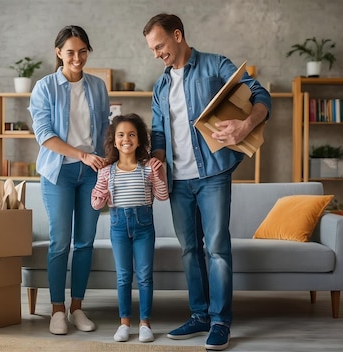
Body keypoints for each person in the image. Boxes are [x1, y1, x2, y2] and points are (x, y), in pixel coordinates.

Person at [142, 13, 272, 351]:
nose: (157, 54)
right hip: (178, 180)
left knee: (217, 249)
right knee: (189, 251)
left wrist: (245, 126)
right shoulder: (161, 85)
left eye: (160, 46)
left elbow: (260, 95)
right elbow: (158, 132)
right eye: (152, 50)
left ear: (178, 35)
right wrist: (157, 158)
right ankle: (199, 315)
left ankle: (220, 321)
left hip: (213, 174)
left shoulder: (215, 66)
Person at [28, 25, 110, 335]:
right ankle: (57, 310)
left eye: (83, 51)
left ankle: (77, 308)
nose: (77, 58)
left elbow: (104, 130)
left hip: (91, 174)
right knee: (60, 242)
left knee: (86, 242)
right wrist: (82, 155)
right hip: (58, 172)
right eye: (71, 52)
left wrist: (108, 165)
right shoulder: (45, 87)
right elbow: (45, 136)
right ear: (58, 52)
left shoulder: (98, 87)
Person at [91, 113, 168, 343]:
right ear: (114, 141)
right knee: (124, 277)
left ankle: (145, 323)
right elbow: (96, 204)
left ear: (139, 139)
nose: (127, 139)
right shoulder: (106, 170)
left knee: (144, 276)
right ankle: (124, 323)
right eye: (121, 135)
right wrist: (101, 191)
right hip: (118, 227)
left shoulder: (147, 168)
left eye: (132, 134)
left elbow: (162, 196)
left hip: (144, 226)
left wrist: (159, 172)